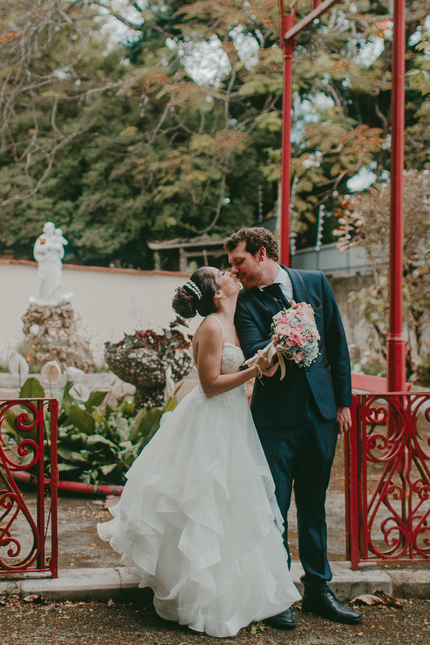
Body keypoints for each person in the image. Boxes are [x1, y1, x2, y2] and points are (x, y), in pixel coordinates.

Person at [97, 266, 299, 638]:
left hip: (236, 419)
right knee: (207, 504)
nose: (230, 272)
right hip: (211, 422)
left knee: (234, 505)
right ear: (217, 292)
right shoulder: (211, 326)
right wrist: (254, 371)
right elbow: (209, 385)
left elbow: (240, 370)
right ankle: (202, 598)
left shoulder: (236, 321)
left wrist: (266, 362)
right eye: (223, 272)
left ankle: (236, 596)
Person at [226, 226, 362, 630]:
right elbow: (255, 355)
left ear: (263, 253)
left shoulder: (315, 282)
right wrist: (284, 339)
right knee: (275, 508)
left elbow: (337, 342)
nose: (236, 272)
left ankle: (319, 590)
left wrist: (343, 402)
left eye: (240, 263)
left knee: (315, 505)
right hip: (275, 420)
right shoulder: (245, 303)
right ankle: (277, 594)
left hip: (321, 413)